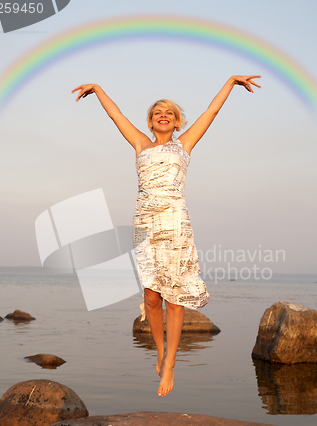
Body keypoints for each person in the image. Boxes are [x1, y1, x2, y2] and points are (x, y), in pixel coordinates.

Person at [72, 75, 261, 397]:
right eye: (157, 112)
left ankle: (171, 361)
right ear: (149, 121)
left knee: (174, 298)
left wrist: (230, 83)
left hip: (174, 223)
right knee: (150, 297)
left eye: (169, 113)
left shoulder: (183, 145)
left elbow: (210, 114)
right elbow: (116, 115)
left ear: (176, 123)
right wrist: (99, 89)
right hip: (145, 223)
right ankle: (159, 350)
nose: (163, 115)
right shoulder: (140, 144)